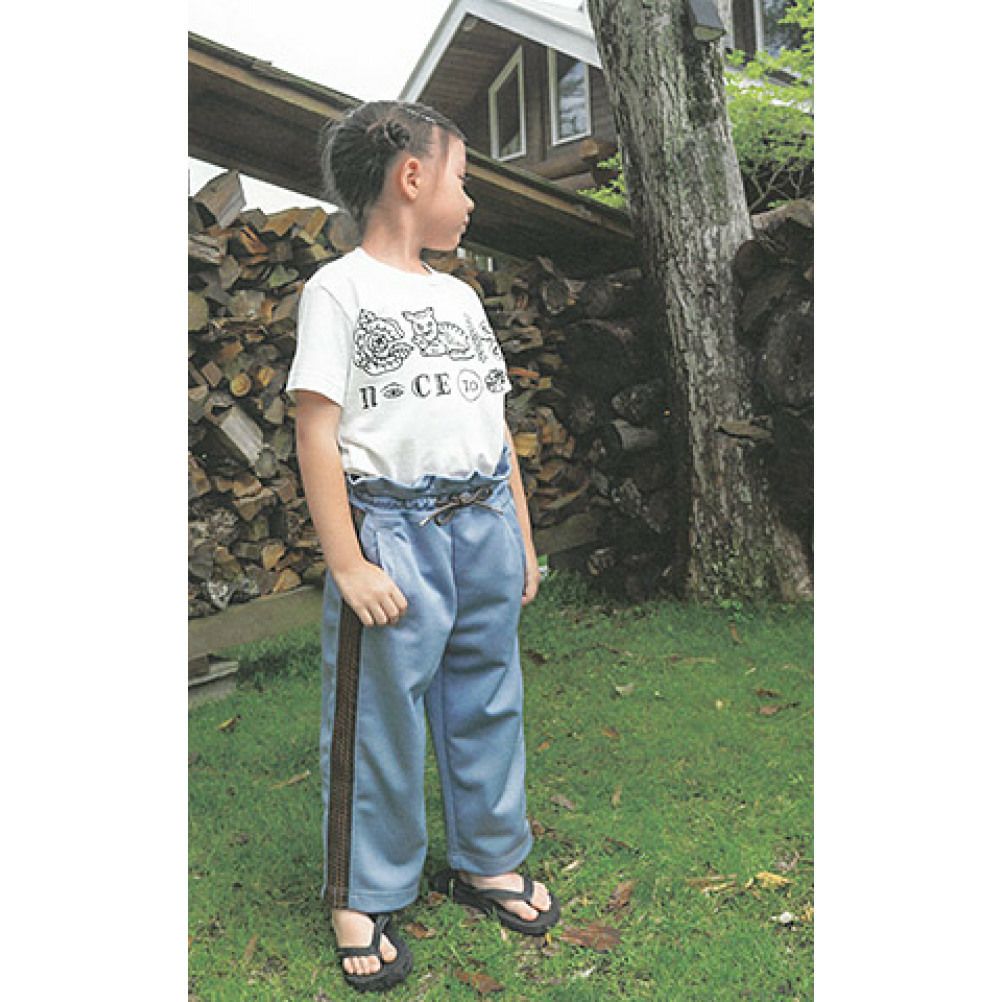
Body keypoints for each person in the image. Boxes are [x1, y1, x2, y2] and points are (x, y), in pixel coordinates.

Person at [285, 100, 559, 994]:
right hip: (394, 533)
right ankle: (364, 892)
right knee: (380, 717)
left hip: (482, 521)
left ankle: (489, 857)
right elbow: (316, 432)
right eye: (463, 179)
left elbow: (494, 423)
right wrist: (348, 562)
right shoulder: (339, 291)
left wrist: (520, 538)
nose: (470, 201)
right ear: (412, 178)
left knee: (488, 696)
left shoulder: (459, 297)